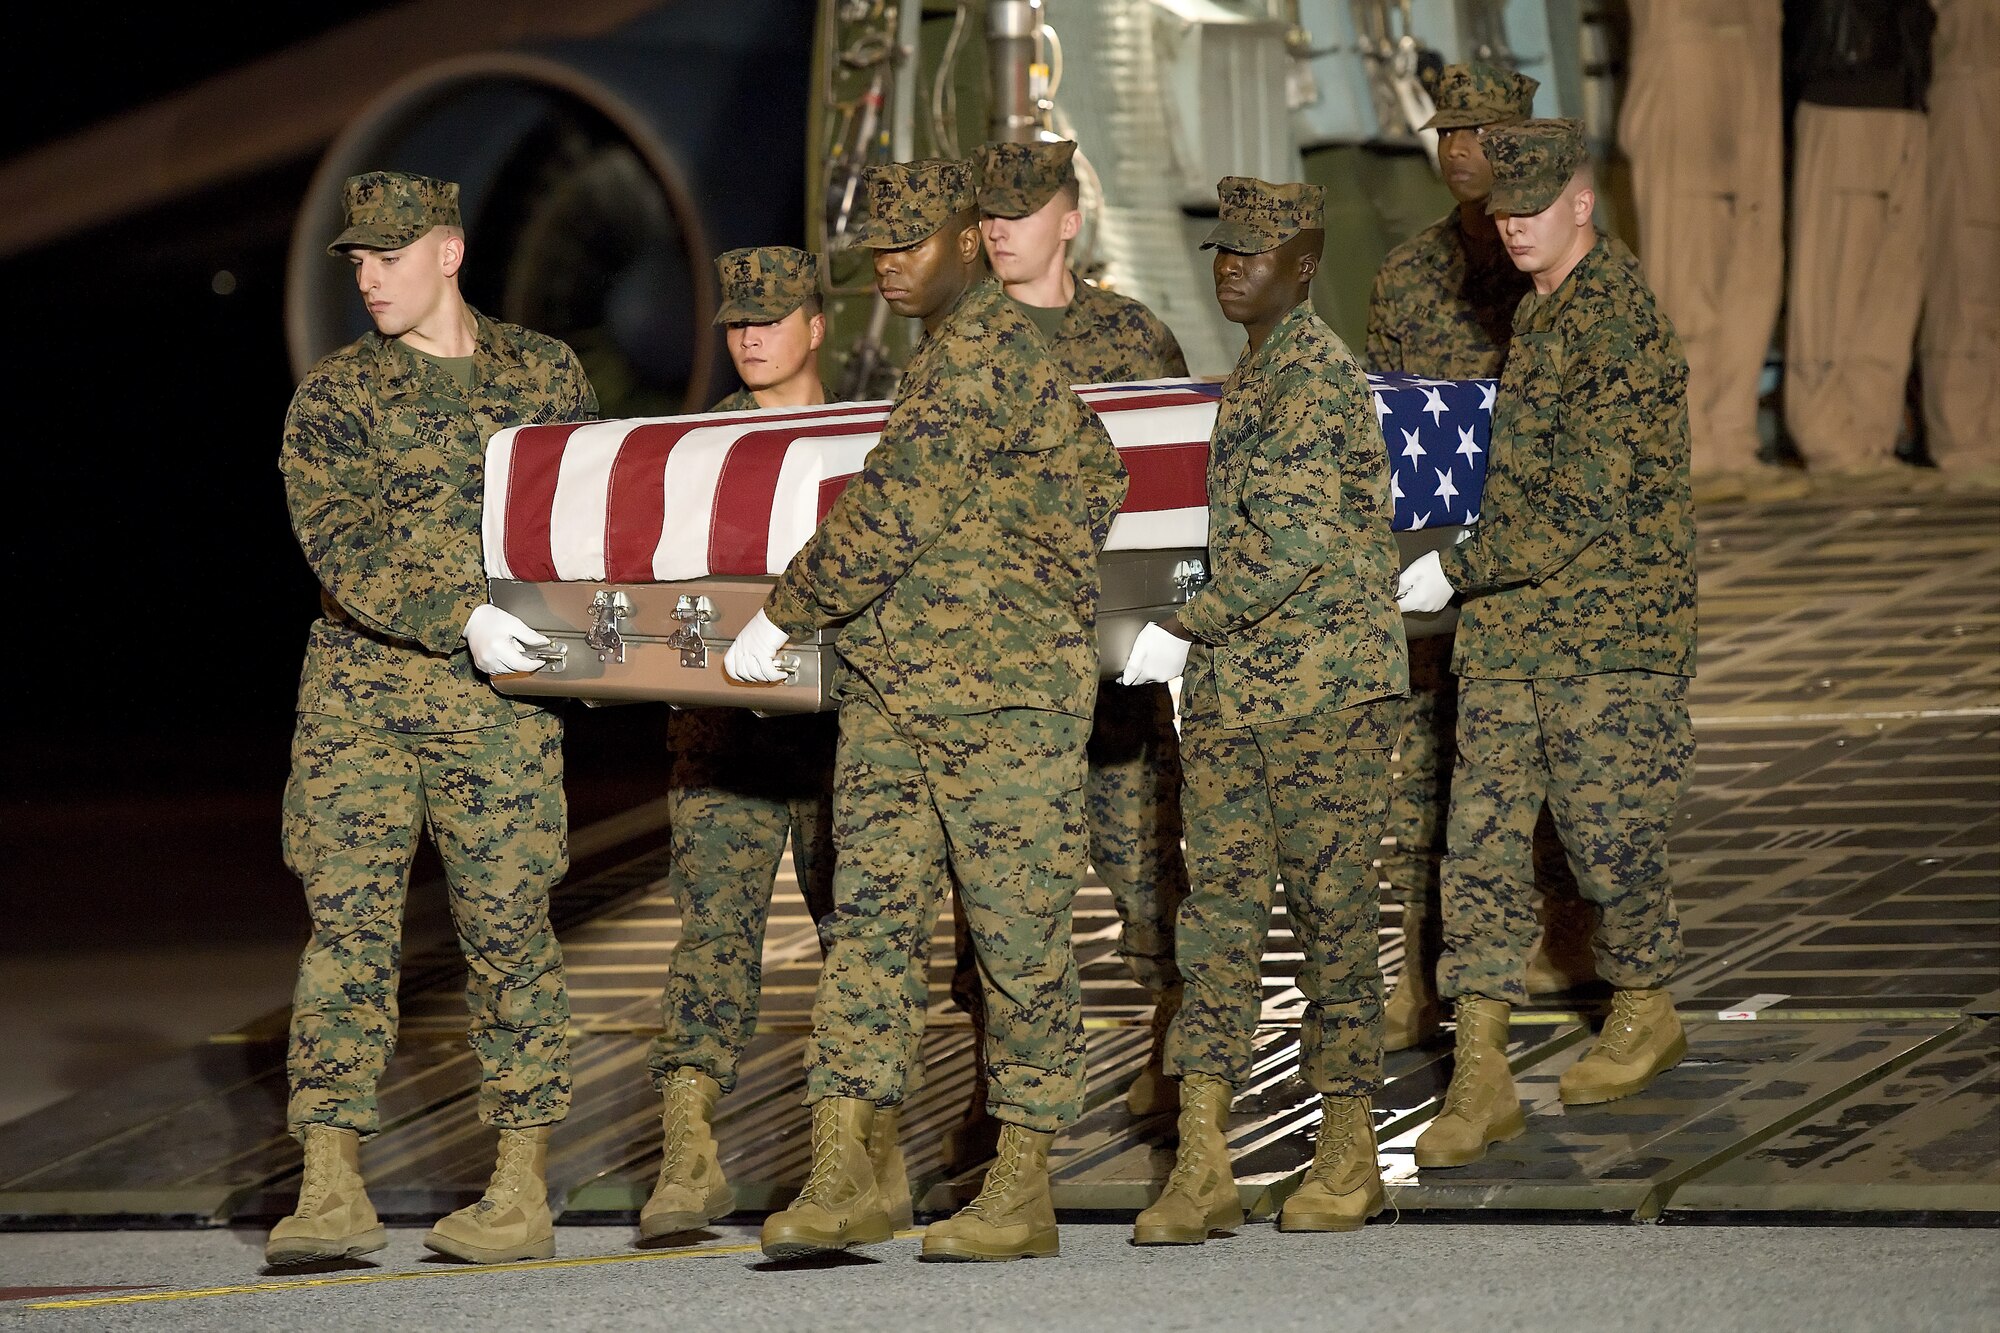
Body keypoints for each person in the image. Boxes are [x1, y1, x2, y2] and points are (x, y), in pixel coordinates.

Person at [727, 158, 1127, 1262]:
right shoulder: (945, 360)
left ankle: (1023, 1181)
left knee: (1016, 935)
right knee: (869, 932)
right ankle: (846, 1165)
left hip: (999, 709)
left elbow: (893, 510)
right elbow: (1089, 479)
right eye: (876, 254)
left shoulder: (987, 352)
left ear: (964, 242)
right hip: (901, 699)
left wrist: (784, 612)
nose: (890, 269)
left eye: (910, 246)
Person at [267, 171, 598, 1266]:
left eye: (391, 257)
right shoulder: (334, 397)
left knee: (508, 933)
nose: (370, 278)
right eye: (358, 262)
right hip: (361, 700)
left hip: (497, 712)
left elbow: (588, 518)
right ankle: (329, 1182)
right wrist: (460, 614)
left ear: (447, 254)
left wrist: (596, 642)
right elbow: (341, 544)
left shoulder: (544, 374)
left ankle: (518, 1186)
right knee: (348, 937)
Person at [1396, 120, 1697, 1169]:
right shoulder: (1541, 310)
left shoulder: (1613, 322)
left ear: (1581, 201)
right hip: (1514, 638)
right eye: (1502, 209)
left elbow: (1580, 499)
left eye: (1533, 205)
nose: (1512, 225)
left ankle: (1645, 1000)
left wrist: (1455, 569)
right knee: (1475, 849)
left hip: (1604, 640)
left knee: (1608, 840)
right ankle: (1477, 1070)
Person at [1122, 176, 1408, 1243]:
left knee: (1332, 921)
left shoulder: (1306, 378)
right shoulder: (1254, 378)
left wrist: (1181, 627)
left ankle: (1345, 1147)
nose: (1233, 264)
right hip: (1244, 699)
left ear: (1304, 263)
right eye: (1222, 250)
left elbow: (1284, 546)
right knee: (1220, 929)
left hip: (1322, 696)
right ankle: (1202, 1160)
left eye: (1258, 250)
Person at [638, 246, 915, 1240]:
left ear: (814, 325)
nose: (750, 335)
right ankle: (688, 1154)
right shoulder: (692, 454)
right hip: (722, 740)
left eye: (772, 316)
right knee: (711, 942)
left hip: (847, 741)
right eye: (736, 321)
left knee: (863, 948)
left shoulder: (867, 441)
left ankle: (868, 1159)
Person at [950, 137, 1191, 1144]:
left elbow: (1181, 490)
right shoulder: (956, 344)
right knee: (995, 906)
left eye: (1021, 209)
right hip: (1001, 678)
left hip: (1118, 676)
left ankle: (1181, 1050)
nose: (1000, 228)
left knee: (1146, 878)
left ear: (1066, 219)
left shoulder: (1133, 338)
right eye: (988, 213)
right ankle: (999, 1093)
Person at [1619, 1, 1792, 495]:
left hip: (1753, 46)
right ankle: (1691, 445)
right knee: (1688, 266)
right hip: (1688, 46)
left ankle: (1733, 439)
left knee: (1752, 267)